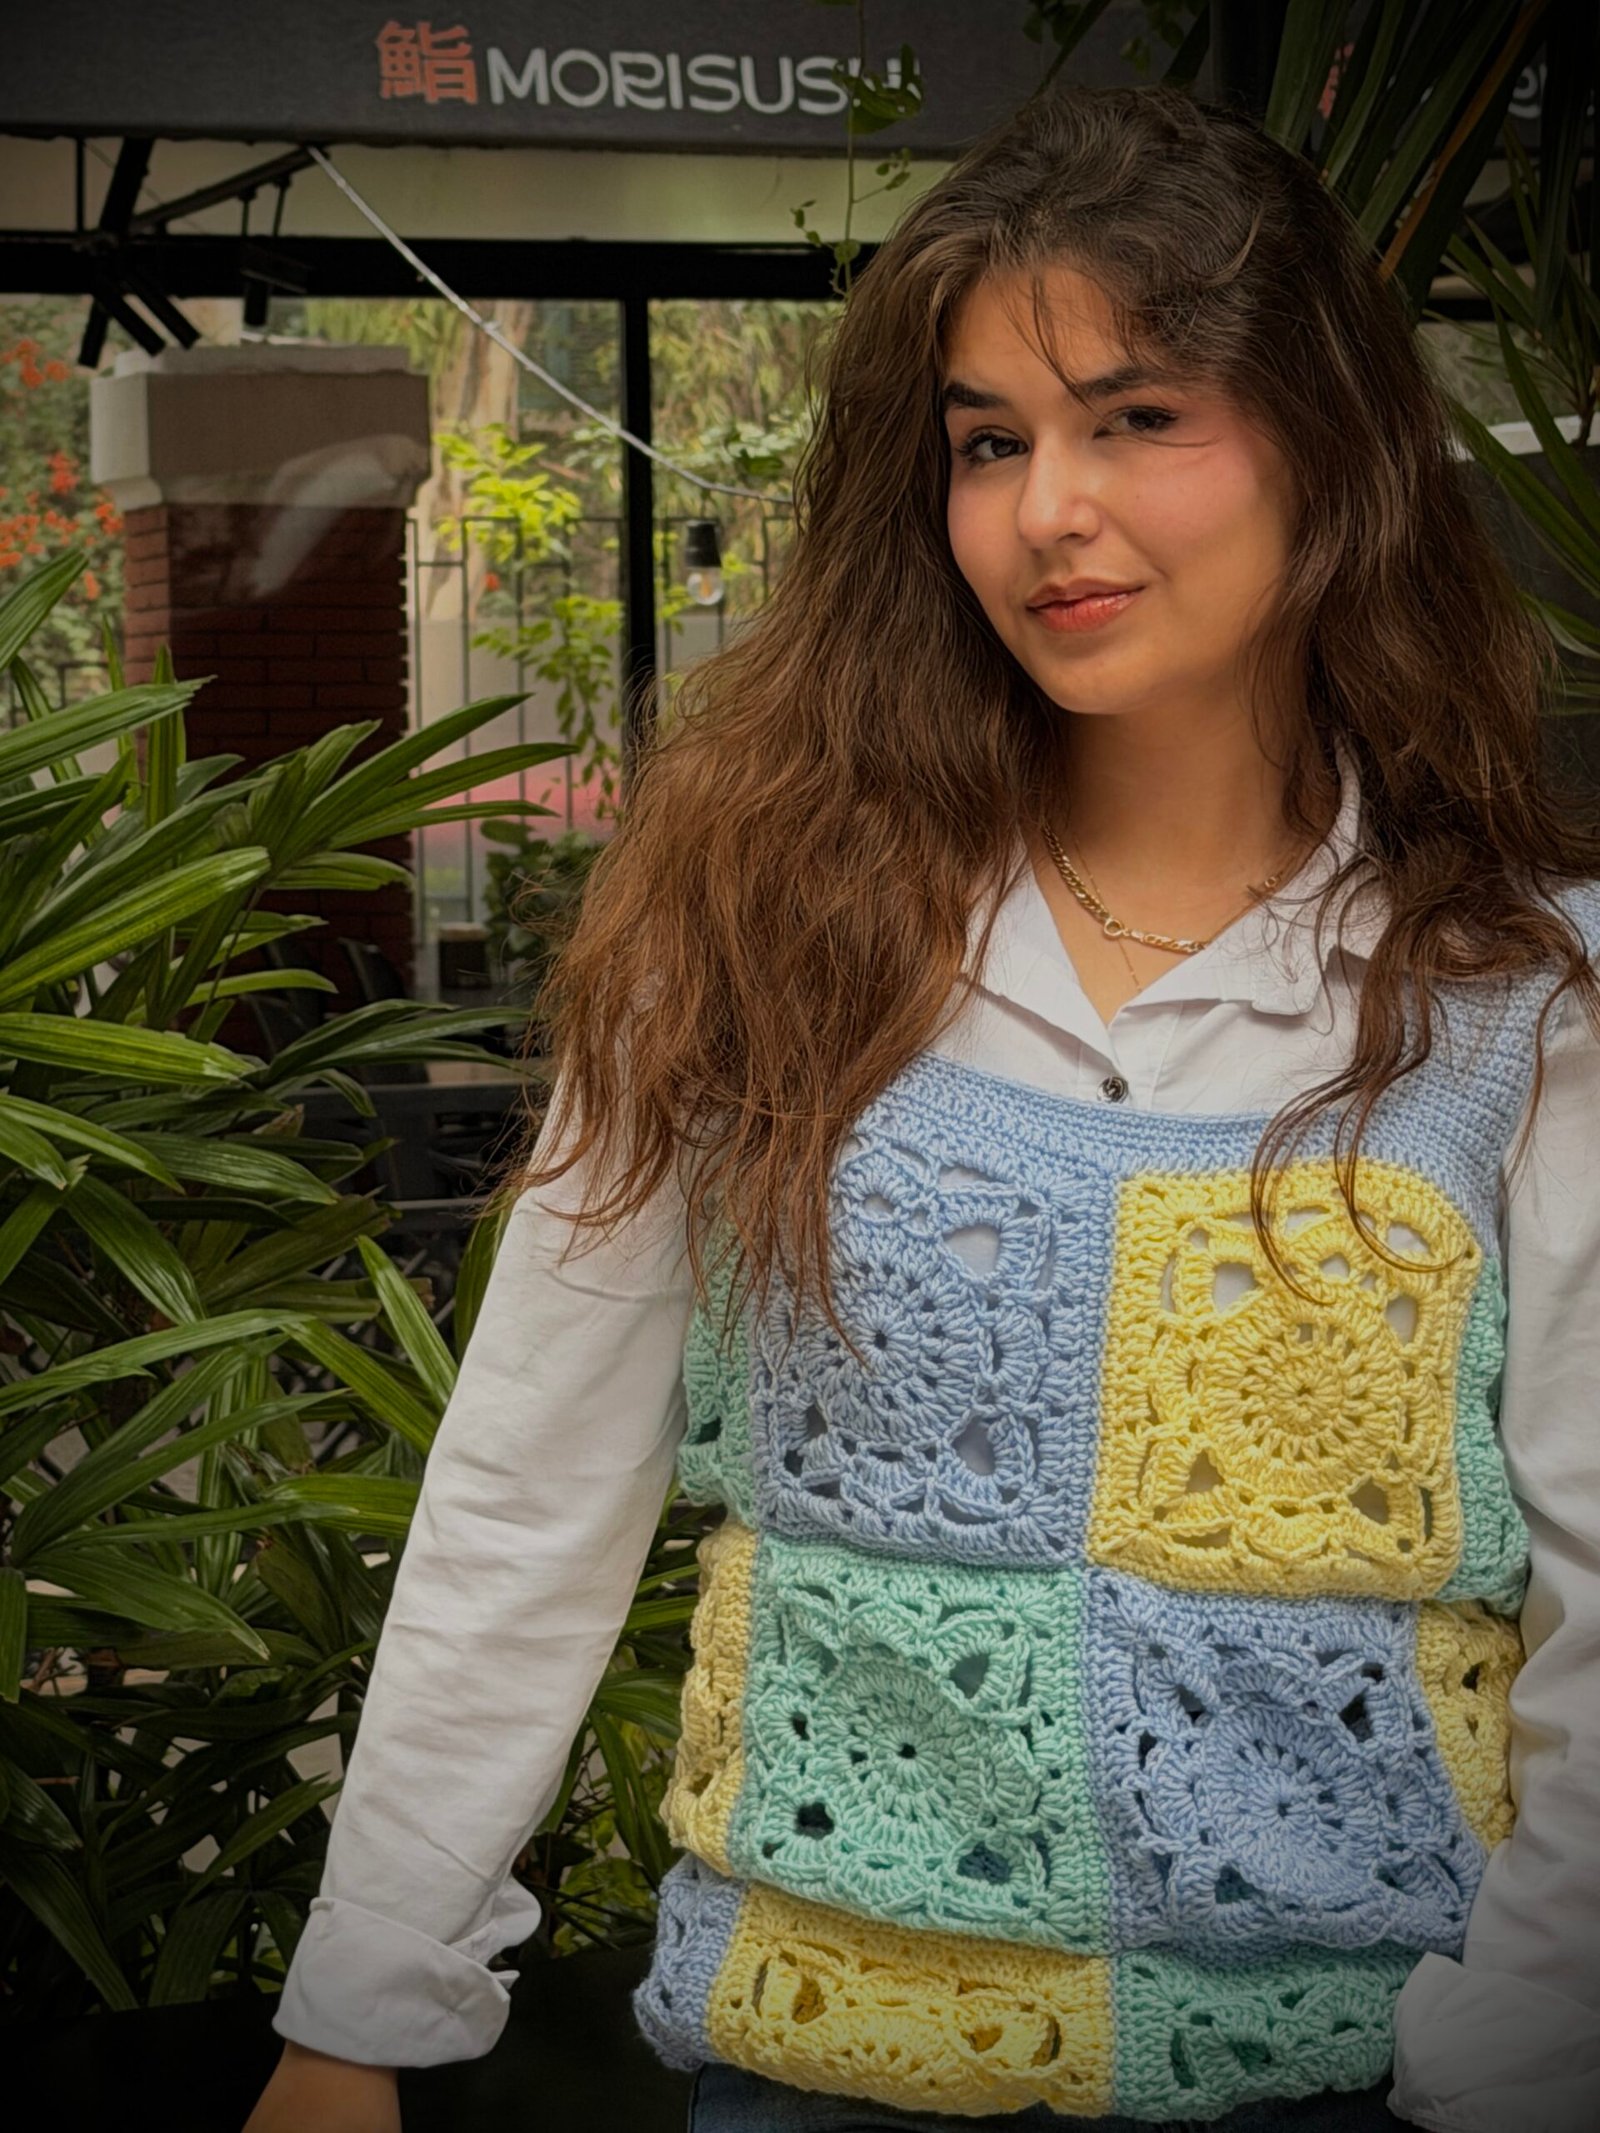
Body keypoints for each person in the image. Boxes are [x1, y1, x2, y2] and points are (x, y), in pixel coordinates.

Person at [243, 81, 1600, 2133]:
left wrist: (1513, 2070)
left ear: (1327, 442)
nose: (1049, 508)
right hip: (817, 2069)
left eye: (1135, 416)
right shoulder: (753, 929)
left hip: (1357, 2075)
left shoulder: (1519, 997)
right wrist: (355, 2019)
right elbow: (529, 1486)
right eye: (988, 442)